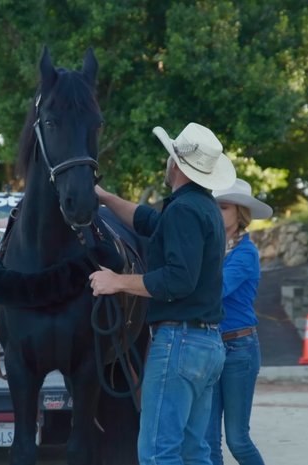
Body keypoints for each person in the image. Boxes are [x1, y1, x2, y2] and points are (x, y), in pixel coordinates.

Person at [89, 122, 236, 464]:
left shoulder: (183, 211)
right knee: (193, 450)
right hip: (207, 344)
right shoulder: (203, 208)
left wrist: (117, 281)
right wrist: (105, 198)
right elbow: (148, 222)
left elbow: (176, 281)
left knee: (157, 452)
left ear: (175, 165)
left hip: (179, 342)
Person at [205, 179, 272, 465]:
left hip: (238, 349)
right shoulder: (211, 248)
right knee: (207, 442)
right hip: (209, 347)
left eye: (223, 207)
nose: (216, 212)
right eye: (214, 207)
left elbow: (214, 292)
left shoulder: (246, 253)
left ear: (240, 213)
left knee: (237, 439)